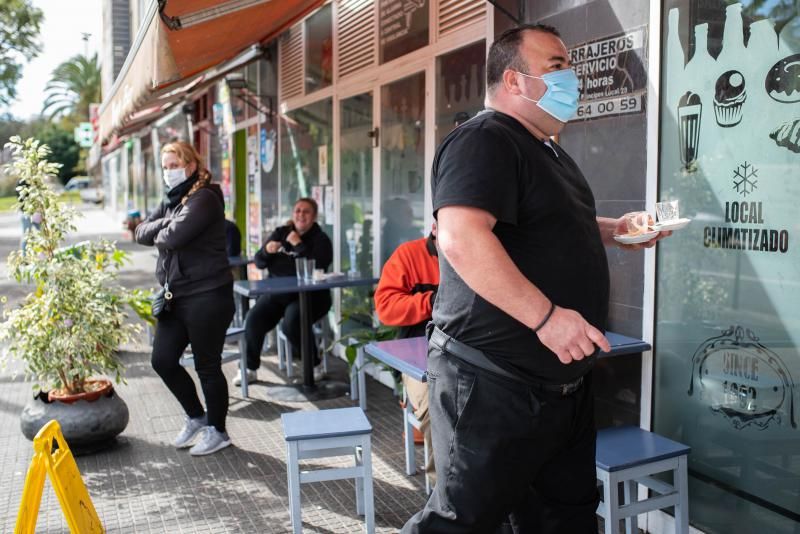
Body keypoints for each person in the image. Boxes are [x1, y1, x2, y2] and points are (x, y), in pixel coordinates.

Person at [402, 24, 670, 533]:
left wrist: (618, 231)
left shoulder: (543, 148)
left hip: (560, 387)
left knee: (563, 520)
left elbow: (543, 223)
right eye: (557, 66)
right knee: (460, 524)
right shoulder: (483, 138)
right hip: (493, 383)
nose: (573, 77)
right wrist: (546, 318)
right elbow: (460, 237)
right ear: (515, 81)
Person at [135, 141, 235, 456]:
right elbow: (140, 232)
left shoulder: (204, 198)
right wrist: (165, 223)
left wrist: (162, 229)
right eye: (164, 167)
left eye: (173, 165)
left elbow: (173, 237)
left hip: (208, 295)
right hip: (175, 296)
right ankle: (196, 416)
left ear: (190, 165)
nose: (169, 172)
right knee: (162, 359)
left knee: (207, 365)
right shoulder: (172, 201)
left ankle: (218, 431)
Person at [236, 198, 333, 386]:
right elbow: (259, 261)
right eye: (297, 211)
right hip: (278, 294)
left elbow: (317, 266)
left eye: (306, 212)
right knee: (254, 318)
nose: (301, 215)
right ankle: (249, 369)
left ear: (314, 216)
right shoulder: (281, 232)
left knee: (293, 321)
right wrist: (267, 251)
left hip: (312, 296)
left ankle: (315, 367)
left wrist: (298, 245)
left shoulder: (321, 239)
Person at [374, 222, 439, 483]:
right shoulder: (408, 255)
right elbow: (386, 308)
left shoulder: (482, 254)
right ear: (435, 227)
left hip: (474, 352)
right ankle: (444, 493)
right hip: (418, 356)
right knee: (439, 409)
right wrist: (432, 301)